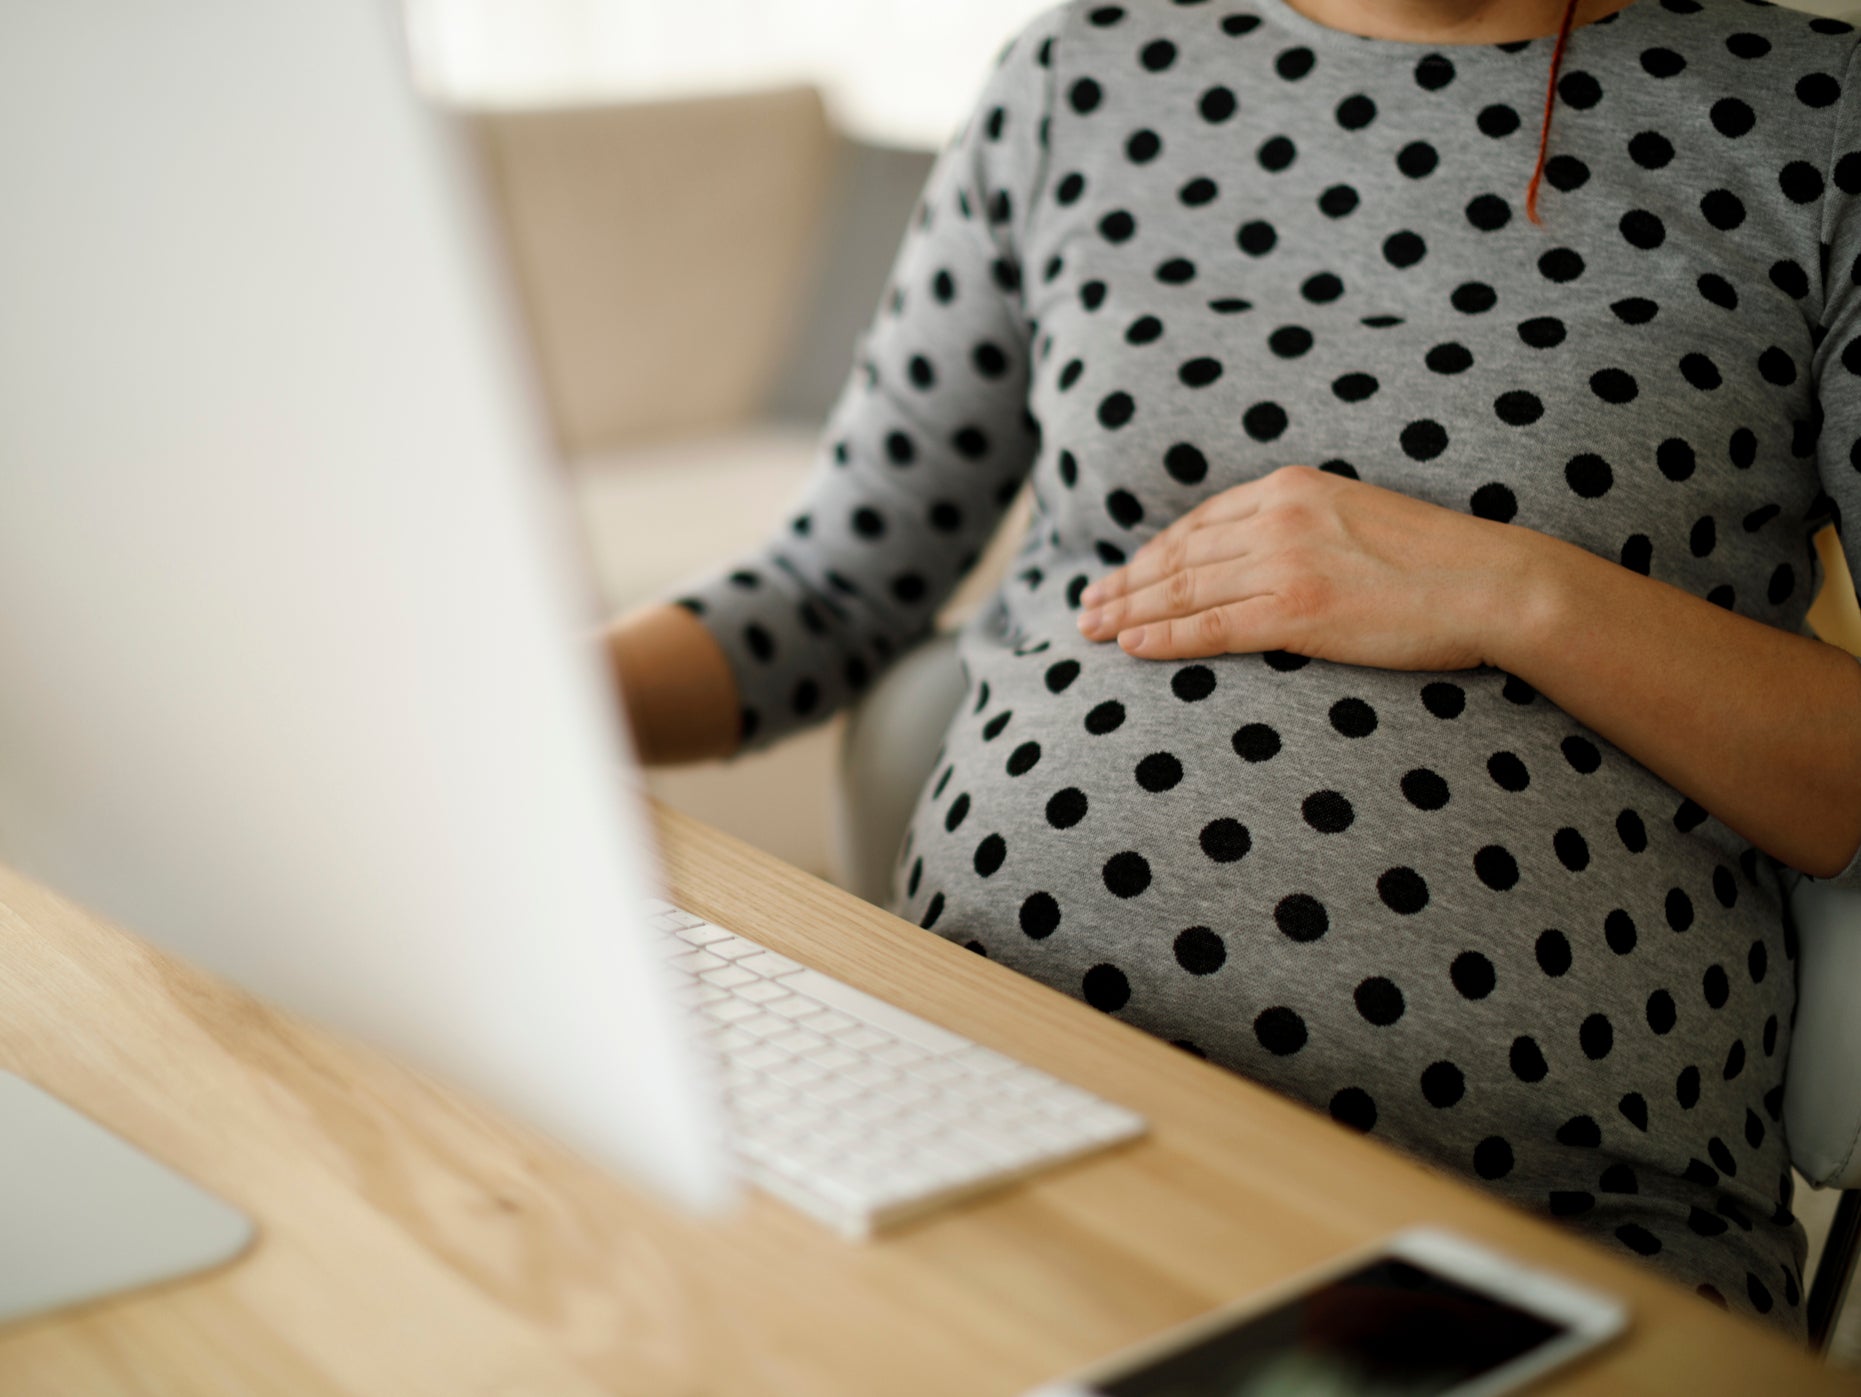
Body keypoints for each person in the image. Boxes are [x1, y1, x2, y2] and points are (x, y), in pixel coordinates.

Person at [607, 0, 1861, 1336]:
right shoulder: (1076, 77)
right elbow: (829, 586)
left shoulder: (1813, 124)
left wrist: (1513, 590)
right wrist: (493, 699)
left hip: (1519, 1229)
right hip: (972, 1115)